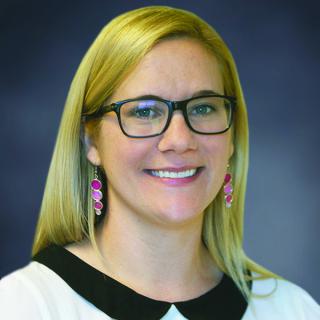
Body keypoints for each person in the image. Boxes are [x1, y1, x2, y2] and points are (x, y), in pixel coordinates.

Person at [0, 6, 319, 320]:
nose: (180, 140)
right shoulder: (25, 305)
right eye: (144, 111)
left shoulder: (293, 309)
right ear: (91, 142)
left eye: (204, 108)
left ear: (233, 137)